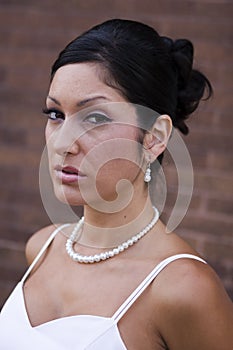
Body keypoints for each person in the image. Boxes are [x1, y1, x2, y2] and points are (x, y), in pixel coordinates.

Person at [0, 19, 232, 350]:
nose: (63, 142)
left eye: (95, 118)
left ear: (154, 137)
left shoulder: (183, 289)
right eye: (55, 114)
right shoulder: (42, 247)